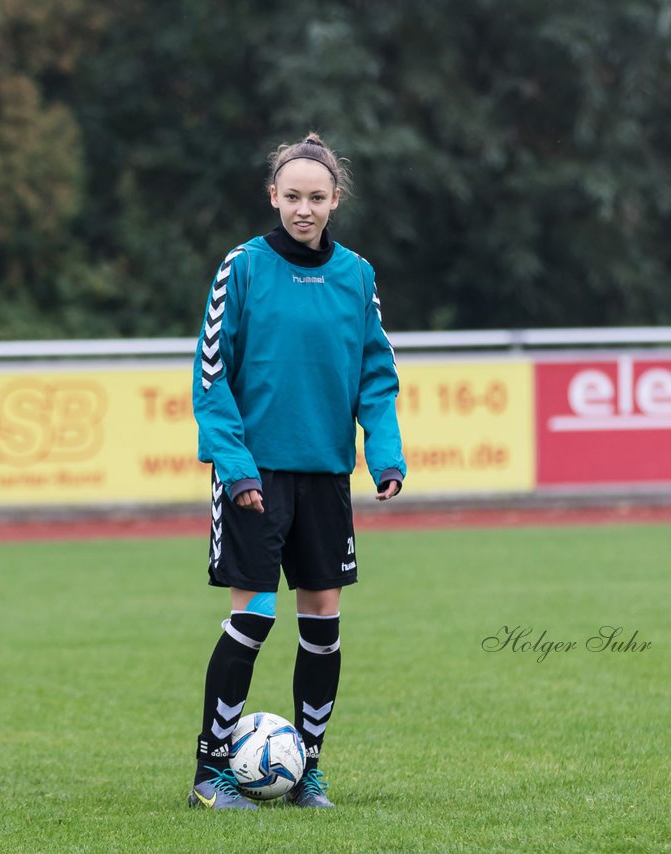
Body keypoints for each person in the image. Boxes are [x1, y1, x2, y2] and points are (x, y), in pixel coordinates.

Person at [187, 132, 406, 810]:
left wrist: (386, 452)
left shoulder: (357, 276)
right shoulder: (242, 269)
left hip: (325, 477)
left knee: (323, 626)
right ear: (273, 196)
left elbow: (377, 372)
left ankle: (306, 770)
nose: (303, 209)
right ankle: (209, 775)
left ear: (335, 199)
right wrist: (237, 467)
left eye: (316, 197)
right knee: (253, 620)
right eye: (292, 196)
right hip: (255, 479)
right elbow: (211, 377)